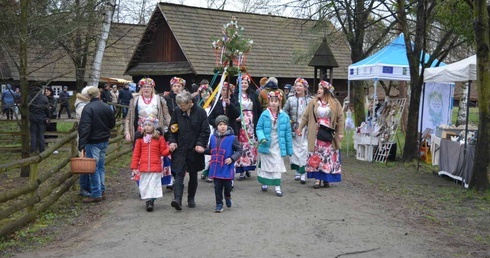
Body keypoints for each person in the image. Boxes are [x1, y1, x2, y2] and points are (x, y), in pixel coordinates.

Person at [124, 77, 172, 189]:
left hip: (155, 133)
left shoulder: (159, 100)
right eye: (144, 87)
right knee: (140, 157)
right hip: (141, 132)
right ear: (141, 88)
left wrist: (172, 129)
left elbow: (166, 116)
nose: (146, 89)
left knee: (156, 157)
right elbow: (128, 118)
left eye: (149, 87)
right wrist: (127, 132)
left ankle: (155, 183)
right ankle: (141, 184)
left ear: (152, 88)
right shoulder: (135, 100)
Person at [167, 91, 210, 210]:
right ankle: (177, 199)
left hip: (194, 148)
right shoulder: (177, 111)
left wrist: (200, 144)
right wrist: (172, 141)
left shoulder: (200, 112)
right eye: (179, 105)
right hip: (180, 147)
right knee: (179, 173)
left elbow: (205, 131)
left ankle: (191, 198)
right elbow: (172, 129)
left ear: (190, 103)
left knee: (193, 173)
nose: (181, 107)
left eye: (183, 105)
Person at [297, 80, 344, 188]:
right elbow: (305, 116)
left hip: (329, 134)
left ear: (326, 91)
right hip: (316, 134)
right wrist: (300, 128)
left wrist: (340, 132)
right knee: (317, 156)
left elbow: (341, 118)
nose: (319, 90)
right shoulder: (313, 103)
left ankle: (326, 178)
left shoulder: (335, 103)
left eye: (321, 89)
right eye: (318, 88)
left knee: (327, 156)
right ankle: (318, 179)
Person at [78, 87, 115, 203]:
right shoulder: (106, 107)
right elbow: (112, 123)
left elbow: (85, 127)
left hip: (92, 141)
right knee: (101, 166)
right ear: (99, 94)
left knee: (93, 168)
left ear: (88, 96)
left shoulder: (88, 108)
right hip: (104, 139)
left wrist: (82, 143)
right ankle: (102, 190)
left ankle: (96, 193)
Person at [130, 114, 172, 212]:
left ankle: (151, 201)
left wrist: (169, 150)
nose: (147, 127)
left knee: (154, 185)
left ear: (154, 126)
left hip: (155, 166)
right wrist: (134, 167)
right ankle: (148, 199)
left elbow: (163, 151)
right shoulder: (140, 139)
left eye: (149, 125)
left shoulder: (159, 138)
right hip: (144, 167)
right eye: (145, 125)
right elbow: (136, 154)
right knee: (145, 185)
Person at [255, 90, 293, 197]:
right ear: (268, 102)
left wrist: (289, 150)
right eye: (271, 101)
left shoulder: (284, 116)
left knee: (277, 164)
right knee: (266, 164)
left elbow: (288, 134)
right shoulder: (264, 114)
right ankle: (265, 182)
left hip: (278, 144)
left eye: (276, 101)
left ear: (279, 102)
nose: (273, 103)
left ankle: (277, 187)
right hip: (267, 143)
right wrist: (262, 138)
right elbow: (259, 128)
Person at [204, 115, 242, 213]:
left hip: (226, 166)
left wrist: (232, 158)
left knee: (228, 186)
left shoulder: (232, 138)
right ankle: (219, 204)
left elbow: (239, 150)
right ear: (217, 126)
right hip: (216, 167)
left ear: (227, 126)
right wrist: (203, 150)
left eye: (224, 124)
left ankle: (228, 196)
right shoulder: (212, 138)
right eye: (220, 124)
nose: (222, 126)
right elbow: (211, 151)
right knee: (217, 187)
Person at [283, 78, 311, 184]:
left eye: (300, 86)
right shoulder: (290, 99)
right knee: (294, 149)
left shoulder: (310, 100)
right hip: (294, 127)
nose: (298, 88)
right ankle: (297, 171)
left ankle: (303, 172)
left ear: (305, 87)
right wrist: (289, 121)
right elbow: (285, 111)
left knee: (304, 148)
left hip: (305, 128)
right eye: (296, 86)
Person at [233, 74, 260, 181]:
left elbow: (258, 109)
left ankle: (248, 166)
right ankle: (241, 170)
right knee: (240, 145)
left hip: (251, 123)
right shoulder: (235, 96)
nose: (243, 85)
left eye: (245, 83)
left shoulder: (252, 96)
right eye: (242, 83)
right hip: (240, 123)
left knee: (250, 145)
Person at [75, 86, 95, 198]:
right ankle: (84, 187)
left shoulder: (85, 105)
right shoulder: (82, 106)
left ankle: (89, 186)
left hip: (87, 135)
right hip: (84, 136)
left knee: (89, 161)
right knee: (84, 163)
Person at [27, 86, 51, 153]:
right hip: (41, 118)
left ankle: (32, 149)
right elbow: (47, 109)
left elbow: (27, 107)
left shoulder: (29, 97)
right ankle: (42, 150)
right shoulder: (44, 98)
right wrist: (48, 116)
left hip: (32, 117)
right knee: (41, 134)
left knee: (33, 134)